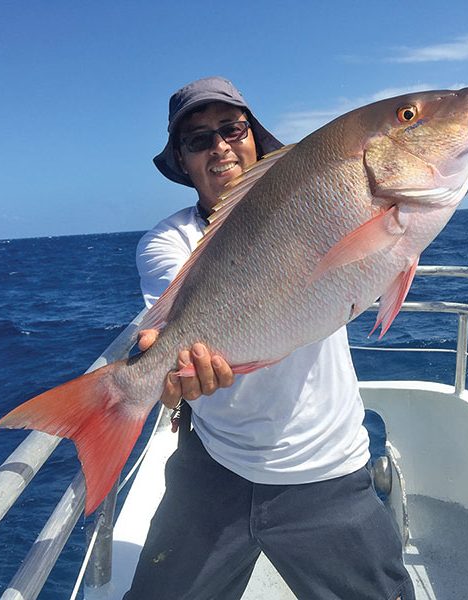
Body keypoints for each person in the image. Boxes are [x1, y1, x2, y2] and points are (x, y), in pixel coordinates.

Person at [124, 76, 414, 600]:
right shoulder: (168, 243)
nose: (220, 147)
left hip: (327, 468)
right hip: (214, 465)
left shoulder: (322, 198)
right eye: (198, 139)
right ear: (183, 161)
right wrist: (164, 373)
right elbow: (170, 330)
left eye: (232, 129)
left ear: (253, 136)